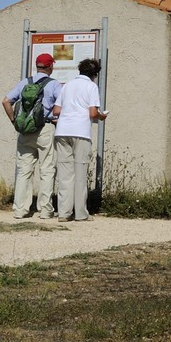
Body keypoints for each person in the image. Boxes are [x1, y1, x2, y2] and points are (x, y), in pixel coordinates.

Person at [1, 53, 62, 219]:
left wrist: (15, 121)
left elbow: (6, 101)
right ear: (50, 66)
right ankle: (45, 210)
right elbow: (61, 106)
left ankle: (20, 209)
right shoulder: (54, 85)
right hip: (45, 128)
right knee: (47, 169)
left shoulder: (24, 83)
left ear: (37, 66)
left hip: (25, 131)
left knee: (24, 171)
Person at [51, 57, 107, 222]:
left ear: (79, 70)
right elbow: (92, 113)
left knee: (64, 174)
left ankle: (63, 213)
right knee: (80, 173)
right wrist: (102, 116)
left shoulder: (67, 85)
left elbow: (56, 110)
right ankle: (81, 213)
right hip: (81, 132)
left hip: (62, 131)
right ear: (95, 74)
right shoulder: (91, 86)